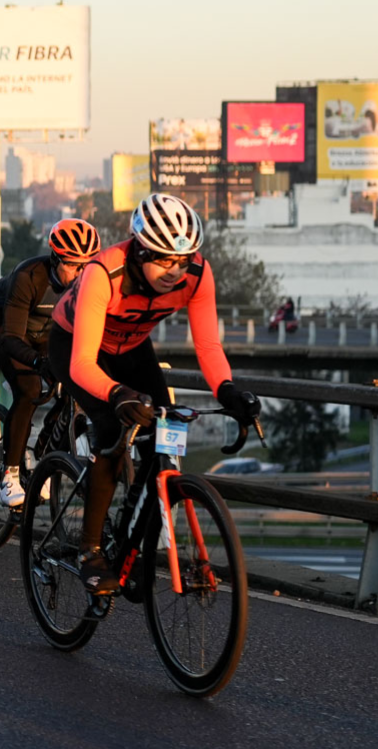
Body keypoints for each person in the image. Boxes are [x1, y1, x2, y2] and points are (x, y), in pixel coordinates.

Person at [49, 192, 259, 596]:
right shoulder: (102, 273)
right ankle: (90, 551)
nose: (173, 271)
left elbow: (208, 347)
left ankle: (131, 543)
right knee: (111, 428)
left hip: (132, 349)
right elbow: (82, 366)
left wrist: (228, 390)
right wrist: (116, 393)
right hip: (76, 348)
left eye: (181, 260)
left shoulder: (198, 274)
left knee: (163, 435)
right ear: (139, 250)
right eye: (163, 259)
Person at [0, 217, 100, 508]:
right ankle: (10, 476)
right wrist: (39, 362)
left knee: (78, 389)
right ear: (55, 259)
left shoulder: (91, 284)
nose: (81, 273)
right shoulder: (29, 276)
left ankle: (43, 456)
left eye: (86, 266)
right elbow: (12, 337)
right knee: (29, 390)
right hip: (7, 328)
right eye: (73, 265)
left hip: (46, 332)